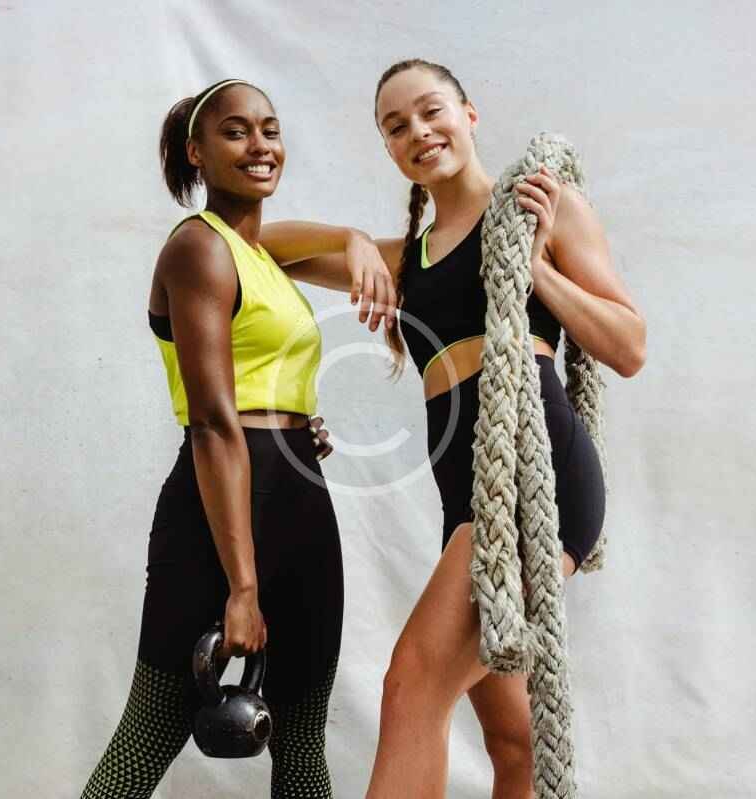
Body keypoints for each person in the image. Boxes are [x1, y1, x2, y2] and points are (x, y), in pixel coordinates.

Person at [260, 59, 646, 798]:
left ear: (469, 115)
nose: (418, 131)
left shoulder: (538, 207)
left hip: (536, 480)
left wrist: (537, 271)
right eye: (395, 126)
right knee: (513, 743)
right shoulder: (407, 261)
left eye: (432, 111)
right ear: (387, 148)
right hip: (467, 501)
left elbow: (629, 345)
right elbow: (260, 247)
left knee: (413, 685)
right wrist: (352, 239)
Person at [78, 78, 385, 799]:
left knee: (301, 741)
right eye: (236, 131)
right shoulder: (198, 248)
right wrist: (242, 586)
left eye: (270, 129)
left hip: (301, 502)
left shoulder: (261, 255)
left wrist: (356, 238)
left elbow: (391, 262)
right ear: (197, 151)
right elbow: (215, 423)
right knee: (145, 742)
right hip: (215, 516)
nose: (259, 145)